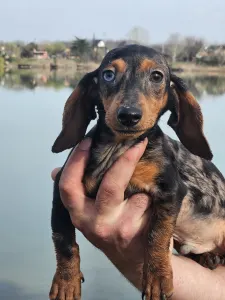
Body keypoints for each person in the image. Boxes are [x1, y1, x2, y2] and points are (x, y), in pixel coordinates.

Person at [51, 138, 225, 300]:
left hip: (211, 227)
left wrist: (154, 260)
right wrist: (67, 265)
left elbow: (172, 192)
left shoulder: (157, 154)